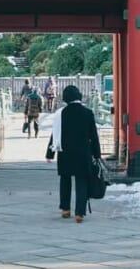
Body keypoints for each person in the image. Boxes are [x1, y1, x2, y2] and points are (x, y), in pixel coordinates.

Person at [45, 85, 101, 223]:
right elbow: (94, 135)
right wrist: (97, 153)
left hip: (65, 152)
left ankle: (65, 209)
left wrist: (50, 153)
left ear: (65, 98)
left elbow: (55, 135)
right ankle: (79, 213)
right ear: (79, 96)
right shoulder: (87, 113)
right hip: (83, 152)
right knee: (82, 181)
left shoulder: (61, 114)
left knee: (65, 180)